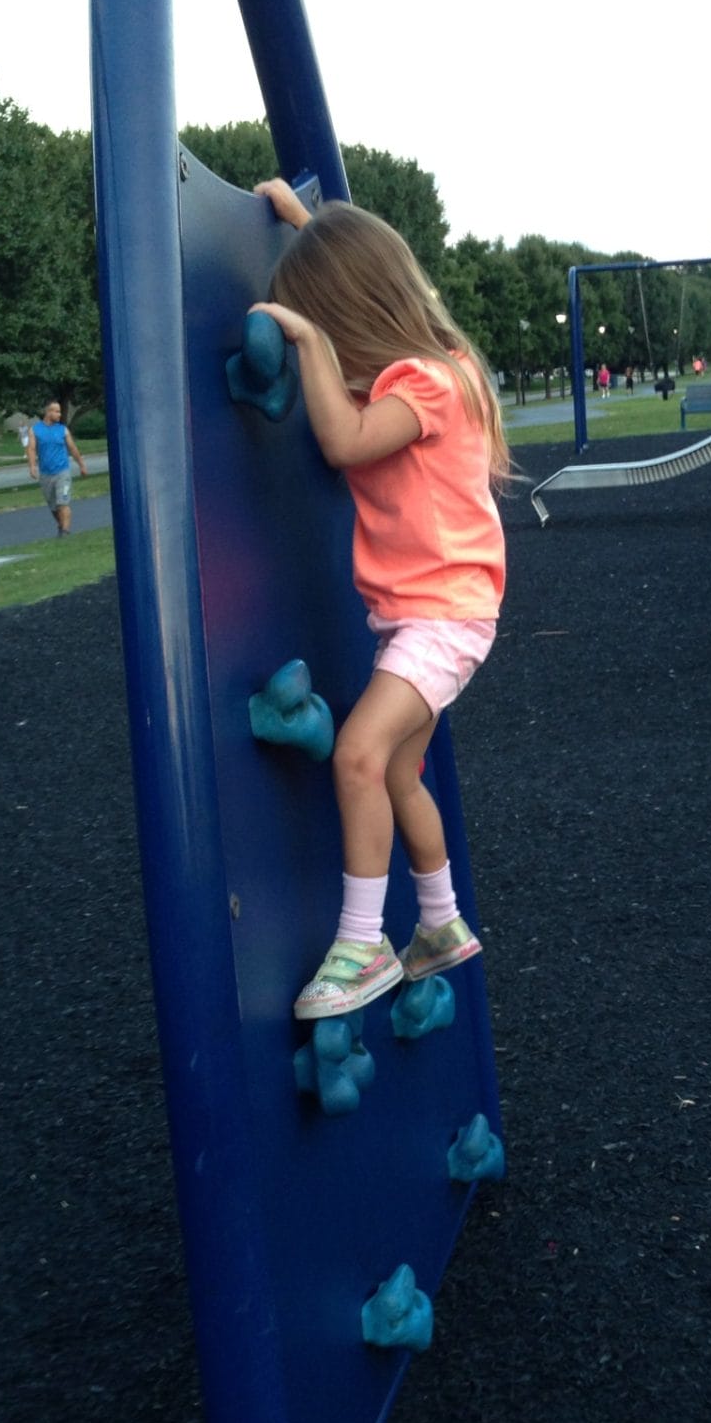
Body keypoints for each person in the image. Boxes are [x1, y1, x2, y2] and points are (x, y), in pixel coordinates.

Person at [249, 177, 508, 1021]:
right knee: (397, 771)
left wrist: (308, 339)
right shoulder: (444, 364)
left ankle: (362, 946)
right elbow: (362, 259)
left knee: (357, 754)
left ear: (348, 315)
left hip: (443, 615)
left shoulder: (427, 382)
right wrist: (304, 225)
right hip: (432, 612)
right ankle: (439, 922)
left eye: (329, 319)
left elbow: (345, 440)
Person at [27, 401, 88, 535]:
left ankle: (65, 532)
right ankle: (61, 526)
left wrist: (81, 465)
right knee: (54, 507)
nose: (59, 414)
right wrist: (32, 466)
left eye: (59, 411)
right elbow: (31, 449)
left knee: (63, 503)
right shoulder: (35, 430)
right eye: (56, 411)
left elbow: (72, 448)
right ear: (48, 412)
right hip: (46, 474)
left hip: (62, 472)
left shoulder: (63, 430)